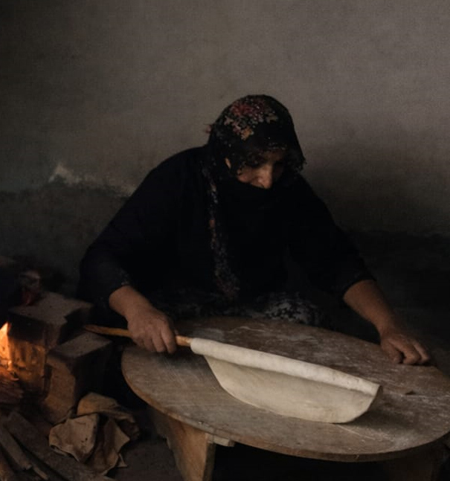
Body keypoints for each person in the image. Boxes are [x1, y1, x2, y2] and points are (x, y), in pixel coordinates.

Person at [79, 95, 429, 365]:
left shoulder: (287, 188)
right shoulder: (179, 178)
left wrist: (387, 325)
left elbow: (335, 260)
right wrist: (138, 310)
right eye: (254, 164)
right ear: (225, 153)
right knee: (145, 349)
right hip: (175, 306)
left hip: (250, 305)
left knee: (310, 324)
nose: (267, 180)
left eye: (277, 164)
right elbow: (102, 257)